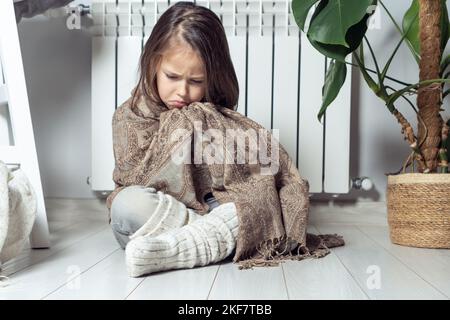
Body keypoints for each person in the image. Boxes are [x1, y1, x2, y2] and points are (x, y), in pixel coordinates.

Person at [108, 1, 241, 277]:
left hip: (209, 208)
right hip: (156, 216)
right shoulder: (129, 116)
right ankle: (213, 239)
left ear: (212, 78)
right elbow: (134, 181)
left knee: (256, 202)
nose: (182, 91)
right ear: (154, 63)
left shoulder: (212, 114)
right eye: (172, 76)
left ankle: (176, 250)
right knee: (127, 206)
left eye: (196, 81)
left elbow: (233, 183)